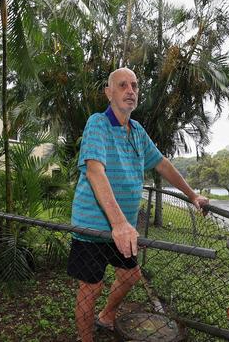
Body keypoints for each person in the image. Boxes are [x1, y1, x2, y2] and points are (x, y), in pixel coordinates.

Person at [67, 67, 209, 342]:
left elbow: (162, 164)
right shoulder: (98, 123)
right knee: (90, 291)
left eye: (134, 85)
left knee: (130, 278)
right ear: (109, 93)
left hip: (123, 231)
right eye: (122, 85)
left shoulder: (137, 130)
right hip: (92, 227)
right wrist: (118, 224)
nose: (130, 91)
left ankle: (106, 316)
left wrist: (192, 195)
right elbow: (95, 171)